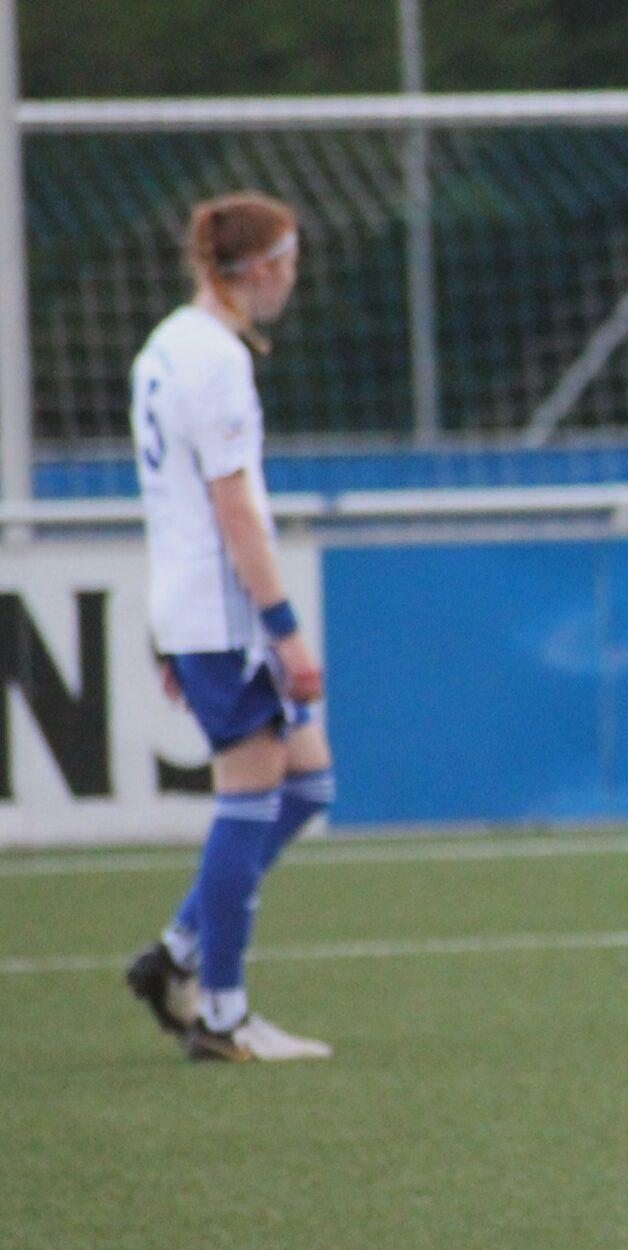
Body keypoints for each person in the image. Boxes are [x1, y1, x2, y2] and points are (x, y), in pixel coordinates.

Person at [122, 192, 335, 1063]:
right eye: (286, 264)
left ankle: (175, 953)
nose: (291, 281)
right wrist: (283, 628)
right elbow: (232, 509)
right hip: (225, 612)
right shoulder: (214, 360)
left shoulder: (168, 344)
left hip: (193, 607)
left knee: (308, 787)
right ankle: (220, 1015)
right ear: (255, 269)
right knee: (251, 796)